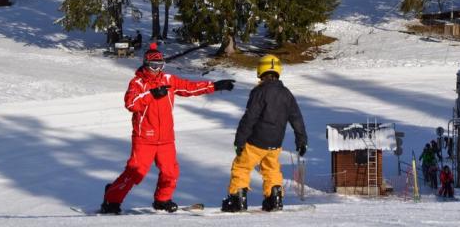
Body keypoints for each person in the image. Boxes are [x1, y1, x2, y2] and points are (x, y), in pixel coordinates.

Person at [99, 42, 236, 214]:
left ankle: (162, 200)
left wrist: (215, 86)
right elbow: (131, 104)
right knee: (135, 173)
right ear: (146, 64)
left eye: (160, 65)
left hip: (166, 138)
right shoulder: (138, 83)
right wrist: (152, 94)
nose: (157, 69)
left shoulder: (168, 80)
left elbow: (189, 88)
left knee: (170, 172)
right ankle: (111, 199)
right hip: (145, 138)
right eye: (153, 66)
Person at [221, 54, 307, 213]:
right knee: (272, 169)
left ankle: (237, 199)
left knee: (241, 166)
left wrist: (239, 141)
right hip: (275, 144)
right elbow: (297, 118)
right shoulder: (286, 94)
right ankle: (274, 199)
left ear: (260, 70)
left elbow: (250, 117)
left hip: (256, 142)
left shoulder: (259, 92)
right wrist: (301, 141)